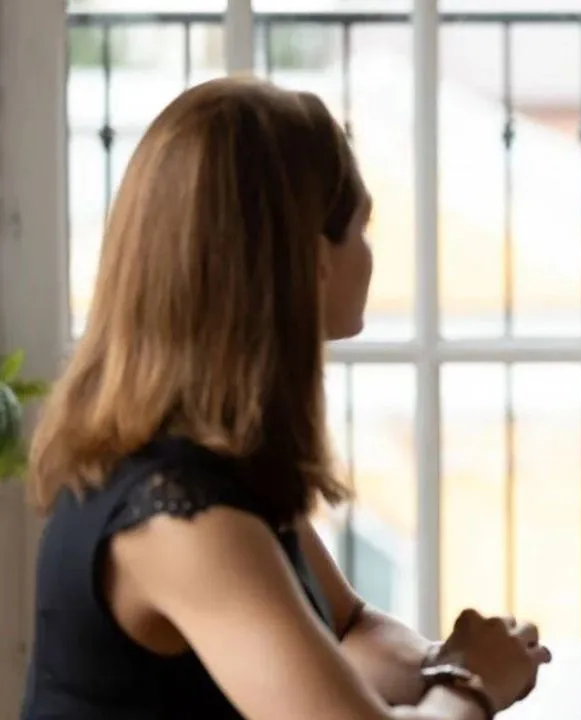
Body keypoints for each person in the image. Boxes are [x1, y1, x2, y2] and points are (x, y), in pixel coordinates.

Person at [21, 77, 548, 720]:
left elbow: (349, 628)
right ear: (309, 260)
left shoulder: (217, 452)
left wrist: (448, 661)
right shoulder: (180, 518)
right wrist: (470, 683)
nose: (371, 254)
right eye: (361, 227)